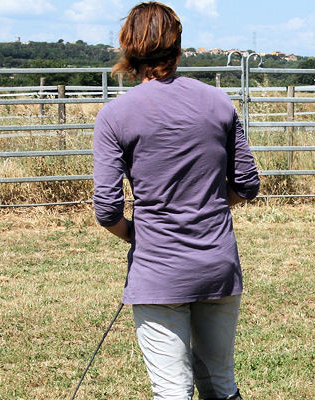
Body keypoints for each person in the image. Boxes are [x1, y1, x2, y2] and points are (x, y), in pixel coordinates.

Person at [92, 2, 259, 399]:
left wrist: (139, 232)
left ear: (128, 51)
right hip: (217, 264)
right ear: (178, 48)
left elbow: (107, 209)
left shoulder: (115, 115)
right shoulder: (219, 102)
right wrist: (210, 207)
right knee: (221, 383)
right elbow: (248, 182)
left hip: (158, 270)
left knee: (172, 390)